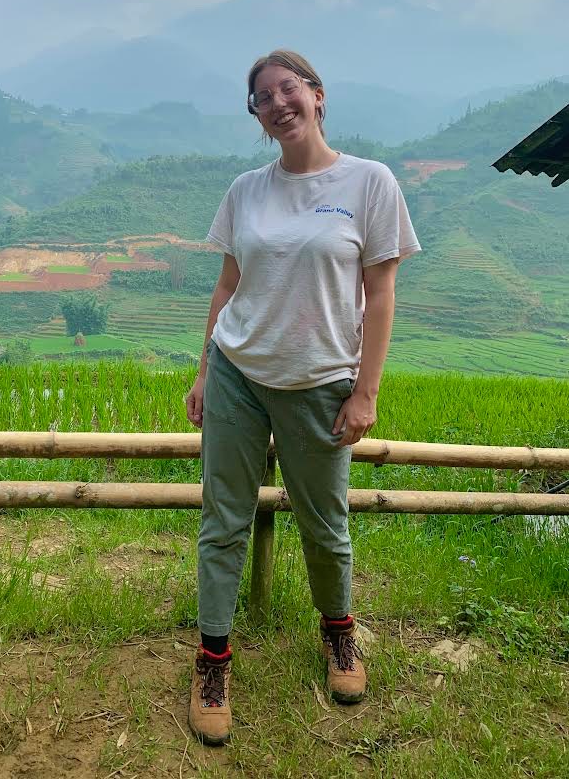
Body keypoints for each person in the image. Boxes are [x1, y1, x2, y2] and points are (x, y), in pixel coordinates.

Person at [185, 49, 421, 746]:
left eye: (288, 89)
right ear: (256, 116)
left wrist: (365, 392)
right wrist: (204, 370)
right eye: (262, 98)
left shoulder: (370, 182)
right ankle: (213, 658)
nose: (277, 104)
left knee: (324, 522)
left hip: (320, 381)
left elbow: (381, 293)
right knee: (223, 519)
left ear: (317, 95)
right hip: (237, 373)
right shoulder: (246, 190)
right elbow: (227, 286)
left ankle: (339, 632)